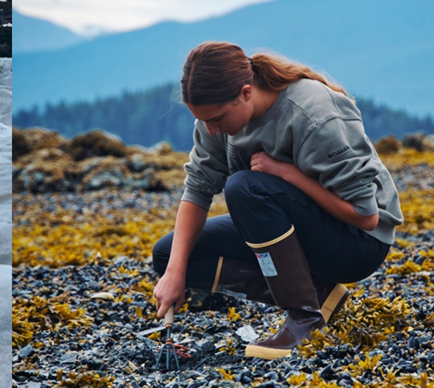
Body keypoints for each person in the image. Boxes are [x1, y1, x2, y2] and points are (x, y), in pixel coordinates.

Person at [152, 42, 402, 359]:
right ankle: (319, 295)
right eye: (204, 121)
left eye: (216, 119)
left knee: (244, 187)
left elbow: (366, 216)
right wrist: (174, 273)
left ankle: (304, 317)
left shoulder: (313, 115)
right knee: (170, 256)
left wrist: (289, 174)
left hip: (357, 243)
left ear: (245, 92)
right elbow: (198, 189)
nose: (212, 131)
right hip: (298, 225)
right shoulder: (213, 123)